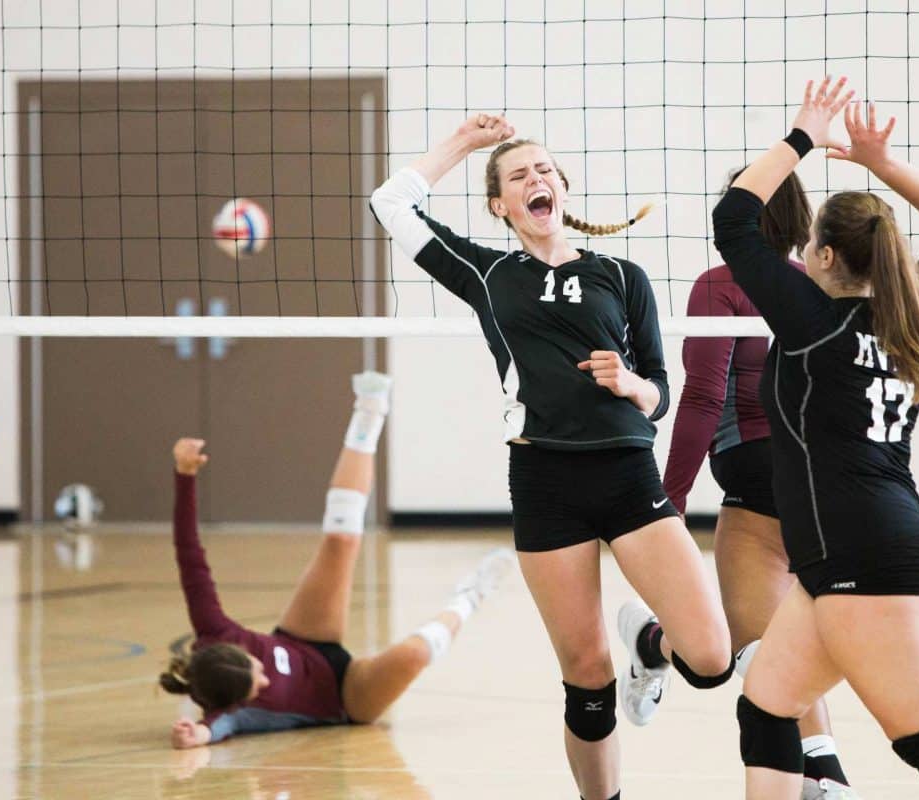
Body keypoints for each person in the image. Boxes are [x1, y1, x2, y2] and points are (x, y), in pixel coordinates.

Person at [371, 115, 732, 800]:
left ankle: (648, 646)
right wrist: (467, 144)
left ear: (562, 189)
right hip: (545, 479)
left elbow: (659, 393)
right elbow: (390, 202)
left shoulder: (622, 275)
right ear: (500, 205)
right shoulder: (486, 272)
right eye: (517, 176)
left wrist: (630, 384)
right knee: (586, 672)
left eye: (544, 170)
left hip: (627, 472)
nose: (535, 180)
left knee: (711, 658)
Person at [713, 76, 919, 800]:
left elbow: (734, 218)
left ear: (819, 258)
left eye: (812, 244)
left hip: (861, 551)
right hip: (858, 546)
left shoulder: (813, 324)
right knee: (766, 707)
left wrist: (802, 138)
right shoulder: (916, 316)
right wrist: (881, 166)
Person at [161, 371, 513, 748]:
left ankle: (370, 409)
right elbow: (216, 727)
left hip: (305, 639)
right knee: (412, 654)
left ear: (233, 651)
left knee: (341, 540)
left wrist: (184, 476)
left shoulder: (213, 628)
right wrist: (196, 734)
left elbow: (189, 554)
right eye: (257, 688)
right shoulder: (233, 712)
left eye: (257, 671)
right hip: (346, 696)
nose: (265, 681)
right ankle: (469, 597)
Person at [664, 172, 858, 800]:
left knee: (747, 654)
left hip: (755, 474)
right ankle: (826, 770)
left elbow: (700, 397)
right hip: (825, 480)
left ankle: (650, 640)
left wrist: (668, 502)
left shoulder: (722, 284)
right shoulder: (821, 287)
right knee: (784, 639)